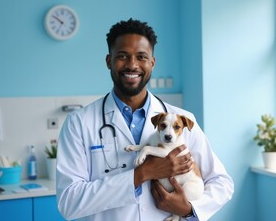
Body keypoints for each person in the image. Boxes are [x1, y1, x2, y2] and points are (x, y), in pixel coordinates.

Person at [56, 18, 234, 221]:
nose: (132, 65)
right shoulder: (79, 123)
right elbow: (68, 202)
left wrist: (188, 210)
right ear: (109, 61)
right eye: (122, 56)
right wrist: (140, 174)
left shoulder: (182, 122)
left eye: (141, 57)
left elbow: (221, 183)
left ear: (152, 62)